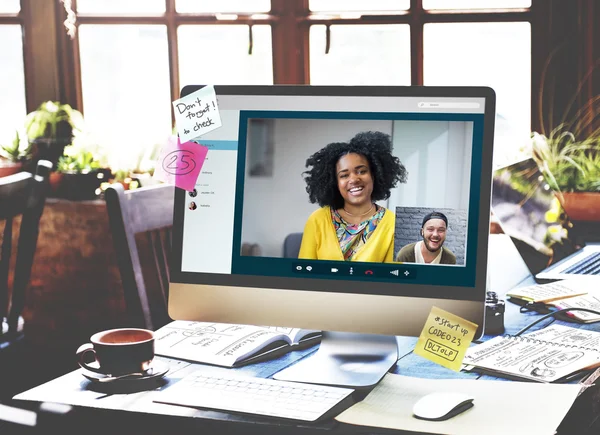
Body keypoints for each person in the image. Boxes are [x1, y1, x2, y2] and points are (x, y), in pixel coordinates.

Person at [299, 131, 407, 263]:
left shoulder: (393, 224)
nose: (354, 179)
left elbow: (393, 279)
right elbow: (304, 273)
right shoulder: (317, 220)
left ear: (374, 175)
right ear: (335, 183)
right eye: (344, 175)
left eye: (362, 171)